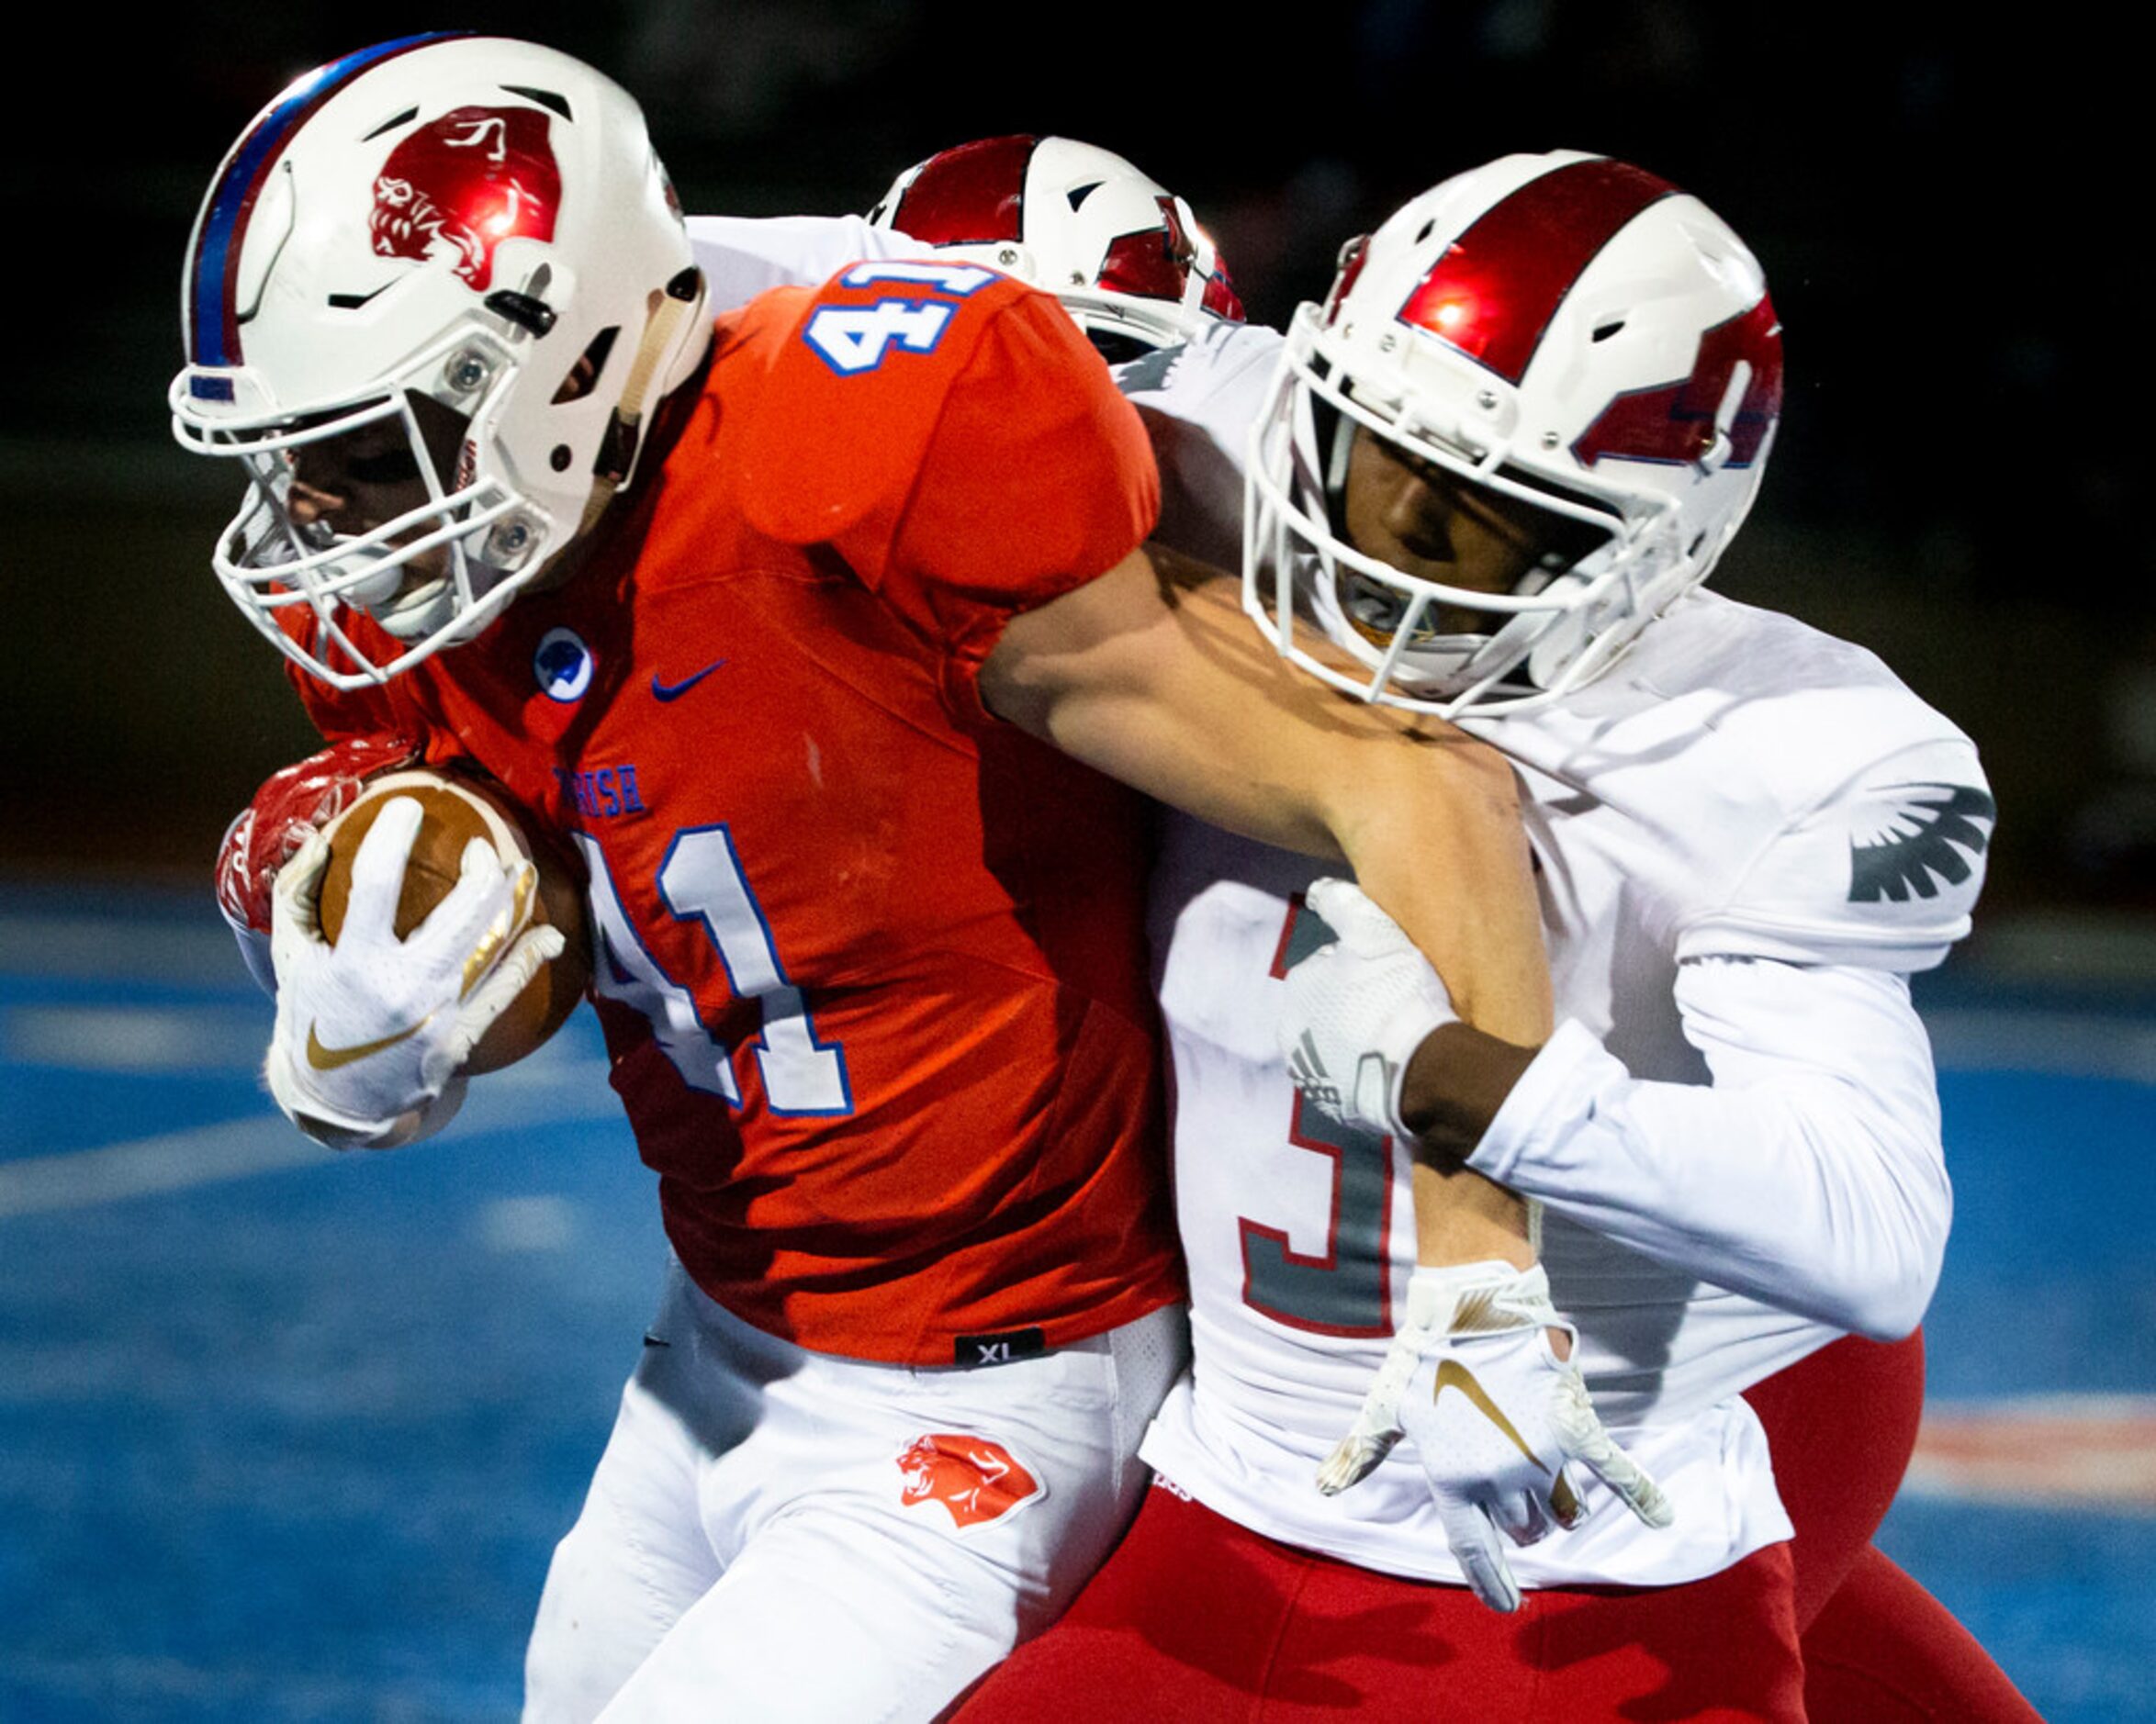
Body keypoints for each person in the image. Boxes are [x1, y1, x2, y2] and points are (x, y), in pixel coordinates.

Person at [177, 41, 1586, 1722]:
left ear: (556, 366)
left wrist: (1489, 1280)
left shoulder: (865, 448)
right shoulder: (457, 551)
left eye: (372, 449)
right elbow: (494, 864)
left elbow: (1413, 781)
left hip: (987, 1382)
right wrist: (340, 933)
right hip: (710, 1335)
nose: (320, 515)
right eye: (294, 457)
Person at [685, 146, 2040, 1718]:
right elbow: (830, 287)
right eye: (1360, 463)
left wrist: (1476, 1082)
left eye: (1483, 528)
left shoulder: (1785, 751)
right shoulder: (1226, 434)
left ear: (1664, 547)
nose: (1378, 557)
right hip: (1248, 1473)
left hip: (1597, 1485)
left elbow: (1874, 1232)